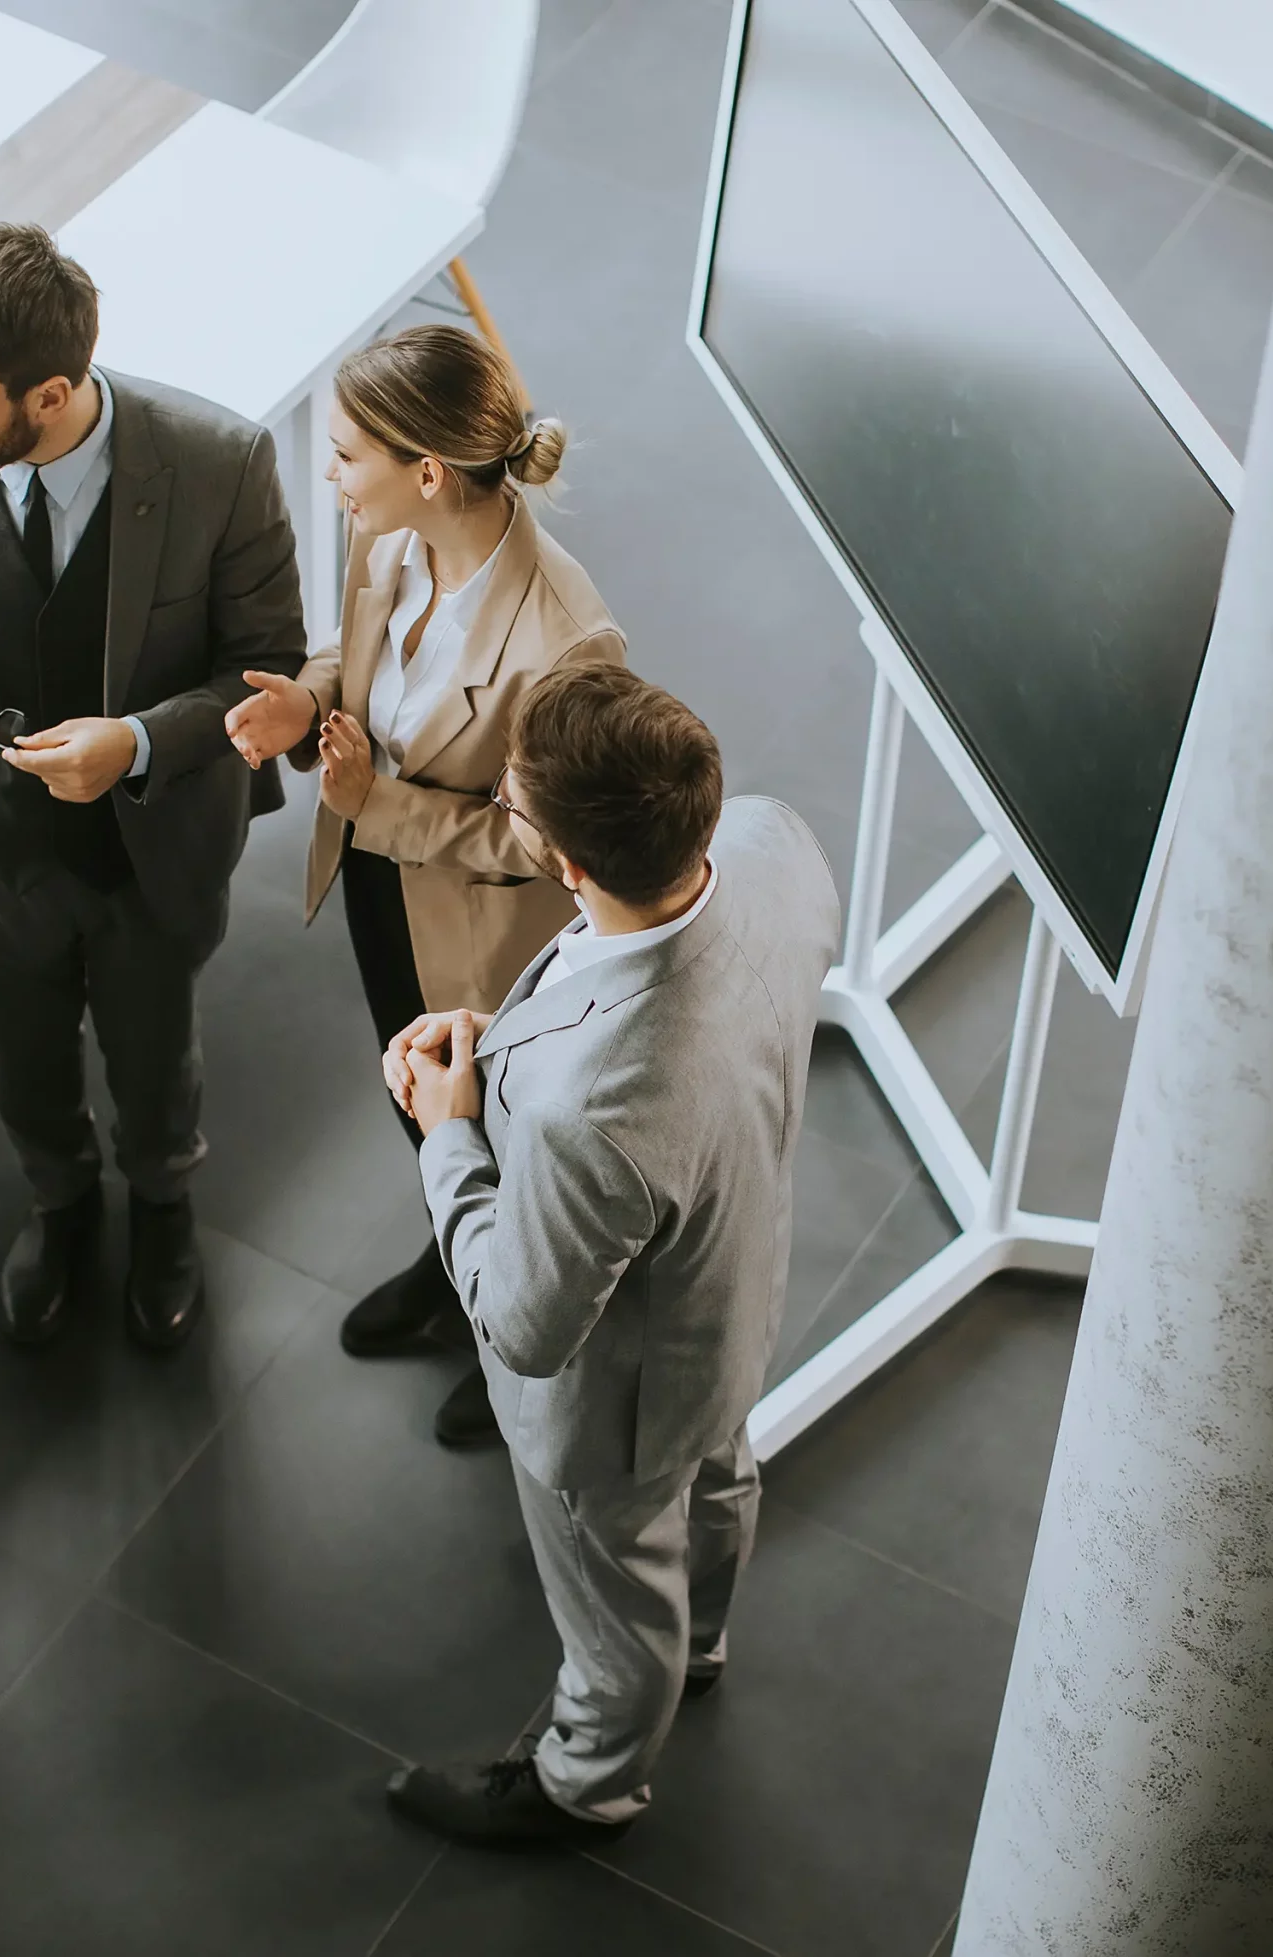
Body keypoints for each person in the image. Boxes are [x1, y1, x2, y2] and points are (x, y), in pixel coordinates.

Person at [0, 224, 304, 1352]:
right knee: (16, 1040)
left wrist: (134, 742)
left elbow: (267, 668)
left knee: (151, 1044)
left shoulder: (217, 462)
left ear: (49, 393)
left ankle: (163, 1202)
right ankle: (59, 1198)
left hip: (149, 838)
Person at [378, 666, 840, 1846]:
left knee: (617, 1592)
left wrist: (449, 1132)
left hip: (613, 1405)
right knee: (722, 1474)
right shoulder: (768, 845)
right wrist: (495, 1043)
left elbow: (525, 1319)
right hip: (736, 1286)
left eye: (516, 804)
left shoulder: (604, 1111)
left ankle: (590, 1776)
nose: (507, 808)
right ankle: (708, 1642)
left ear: (569, 863)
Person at [225, 324, 625, 1451]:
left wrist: (372, 805)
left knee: (501, 1133)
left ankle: (518, 1339)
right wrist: (305, 707)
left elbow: (545, 843)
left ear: (428, 470)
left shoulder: (567, 640)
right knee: (423, 1099)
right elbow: (348, 660)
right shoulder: (386, 541)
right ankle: (453, 1261)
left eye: (347, 455)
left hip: (479, 932)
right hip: (378, 885)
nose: (330, 473)